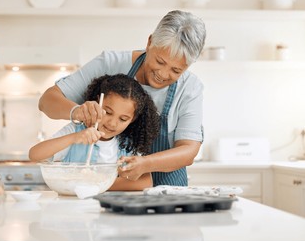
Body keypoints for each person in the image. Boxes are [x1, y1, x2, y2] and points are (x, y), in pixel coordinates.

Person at [38, 10, 206, 187]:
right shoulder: (109, 63)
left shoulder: (190, 88)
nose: (163, 74)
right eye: (160, 61)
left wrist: (145, 164)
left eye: (176, 70)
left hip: (168, 188)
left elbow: (188, 150)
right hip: (111, 189)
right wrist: (76, 111)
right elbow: (47, 101)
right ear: (149, 43)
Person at [29, 74, 160, 191]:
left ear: (132, 120)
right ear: (98, 102)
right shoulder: (77, 130)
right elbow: (35, 155)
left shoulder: (128, 143)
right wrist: (74, 138)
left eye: (123, 119)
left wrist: (94, 184)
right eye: (108, 112)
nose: (112, 123)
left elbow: (145, 182)